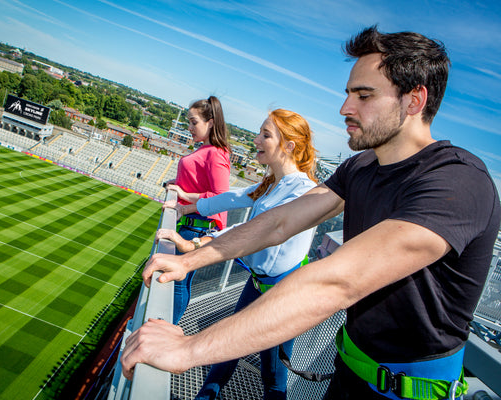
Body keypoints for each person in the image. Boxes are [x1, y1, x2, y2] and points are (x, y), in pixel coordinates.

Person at [121, 26, 501, 400]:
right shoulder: (361, 167)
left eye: (363, 96)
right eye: (348, 93)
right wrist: (191, 261)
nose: (344, 109)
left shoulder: (458, 181)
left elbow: (340, 282)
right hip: (350, 371)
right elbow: (280, 221)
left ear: (414, 101)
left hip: (412, 393)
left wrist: (186, 350)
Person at [157, 109, 318, 400]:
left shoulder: (304, 193)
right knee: (227, 350)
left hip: (283, 297)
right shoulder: (273, 183)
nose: (255, 140)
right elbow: (231, 197)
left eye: (265, 135)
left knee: (273, 377)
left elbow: (254, 231)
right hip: (258, 285)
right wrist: (189, 206)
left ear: (290, 146)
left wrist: (196, 244)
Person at [167, 95, 231, 324]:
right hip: (191, 223)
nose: (190, 127)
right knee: (179, 281)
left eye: (194, 122)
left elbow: (220, 196)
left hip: (196, 227)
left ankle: (168, 328)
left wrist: (184, 195)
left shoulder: (215, 152)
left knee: (177, 282)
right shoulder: (207, 150)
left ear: (211, 122)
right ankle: (167, 328)